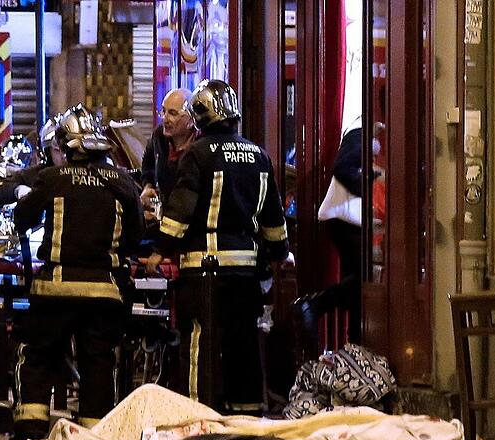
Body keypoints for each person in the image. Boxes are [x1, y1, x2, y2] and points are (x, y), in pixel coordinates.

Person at [147, 79, 289, 413]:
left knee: (200, 344)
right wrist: (279, 254)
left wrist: (159, 251)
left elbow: (179, 213)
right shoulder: (259, 155)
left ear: (199, 116)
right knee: (244, 344)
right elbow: (273, 219)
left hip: (205, 272)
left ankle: (199, 415)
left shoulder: (197, 154)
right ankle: (248, 415)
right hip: (246, 273)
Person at [11, 104, 144, 440]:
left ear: (66, 145)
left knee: (37, 356)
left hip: (56, 291)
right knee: (98, 364)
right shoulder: (123, 182)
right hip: (104, 292)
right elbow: (135, 236)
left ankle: (31, 434)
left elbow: (22, 219)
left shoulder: (52, 178)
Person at [294, 125, 370, 345]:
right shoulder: (361, 130)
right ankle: (317, 305)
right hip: (348, 221)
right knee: (363, 280)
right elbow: (343, 168)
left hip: (349, 221)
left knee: (358, 284)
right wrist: (373, 185)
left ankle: (353, 343)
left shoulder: (364, 131)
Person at [140, 88, 197, 219]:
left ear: (191, 120)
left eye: (172, 113)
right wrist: (147, 186)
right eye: (163, 111)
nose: (165, 119)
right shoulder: (159, 136)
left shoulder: (202, 145)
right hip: (165, 217)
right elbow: (147, 163)